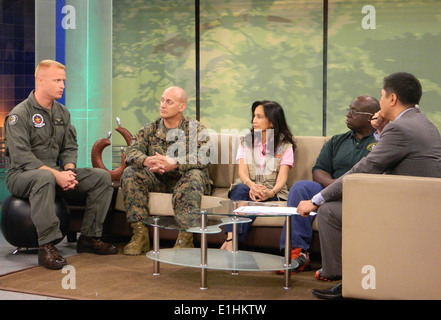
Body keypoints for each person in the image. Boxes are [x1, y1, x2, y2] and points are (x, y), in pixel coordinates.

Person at [296, 72, 441, 299]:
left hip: (400, 211)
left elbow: (364, 170)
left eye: (382, 95)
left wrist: (315, 200)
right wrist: (382, 131)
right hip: (422, 208)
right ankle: (348, 280)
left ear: (392, 99)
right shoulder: (426, 125)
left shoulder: (400, 128)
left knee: (329, 211)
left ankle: (343, 278)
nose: (380, 100)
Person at [4, 60, 117, 270]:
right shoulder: (20, 115)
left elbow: (69, 146)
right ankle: (46, 246)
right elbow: (22, 157)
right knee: (45, 177)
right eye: (57, 80)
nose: (62, 85)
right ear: (40, 80)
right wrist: (55, 176)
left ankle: (89, 238)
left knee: (101, 178)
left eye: (63, 81)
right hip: (22, 174)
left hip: (54, 173)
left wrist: (68, 170)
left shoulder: (62, 112)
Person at [278, 95, 380, 276]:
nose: (348, 114)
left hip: (360, 193)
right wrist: (335, 186)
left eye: (354, 112)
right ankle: (298, 254)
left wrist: (344, 187)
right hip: (330, 191)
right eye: (349, 109)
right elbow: (318, 171)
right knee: (301, 187)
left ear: (371, 117)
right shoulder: (336, 141)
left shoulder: (381, 143)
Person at [121, 86, 212, 255]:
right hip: (158, 179)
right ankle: (140, 236)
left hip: (184, 180)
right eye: (162, 100)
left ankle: (185, 238)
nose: (163, 105)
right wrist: (147, 160)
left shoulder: (195, 129)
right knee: (131, 173)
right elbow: (131, 152)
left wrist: (175, 163)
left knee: (195, 174)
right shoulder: (149, 129)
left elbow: (204, 156)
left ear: (181, 107)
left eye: (169, 102)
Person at [220, 100, 295, 251]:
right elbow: (242, 173)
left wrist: (270, 192)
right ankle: (232, 239)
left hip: (272, 191)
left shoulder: (285, 146)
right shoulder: (245, 142)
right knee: (241, 190)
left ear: (272, 122)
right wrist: (252, 186)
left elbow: (282, 179)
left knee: (253, 202)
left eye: (259, 117)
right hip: (247, 186)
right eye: (254, 116)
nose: (254, 120)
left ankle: (230, 241)